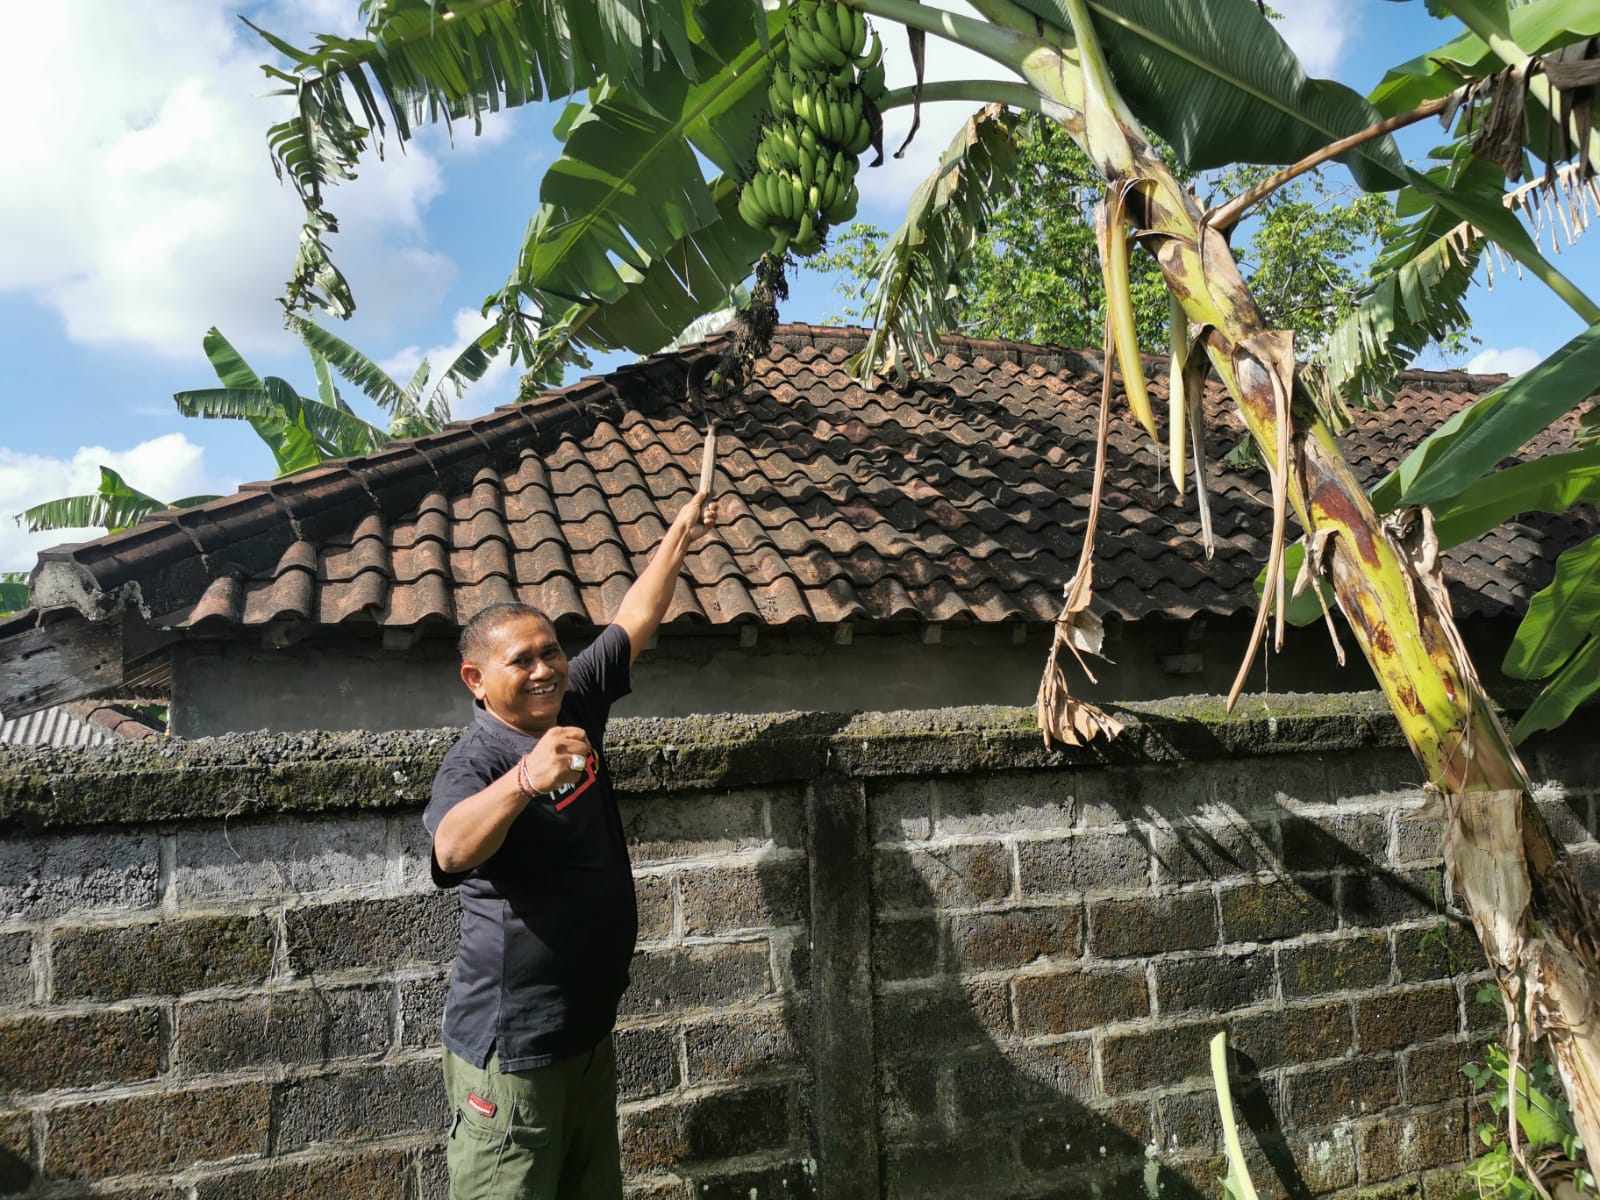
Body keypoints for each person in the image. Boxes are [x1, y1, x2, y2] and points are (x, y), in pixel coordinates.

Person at [424, 489, 718, 1199]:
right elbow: (451, 851)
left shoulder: (573, 703)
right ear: (478, 679)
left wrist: (680, 528)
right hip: (513, 1050)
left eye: (551, 651)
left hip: (584, 1033)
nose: (544, 669)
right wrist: (526, 778)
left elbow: (633, 620)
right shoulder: (479, 762)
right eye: (521, 661)